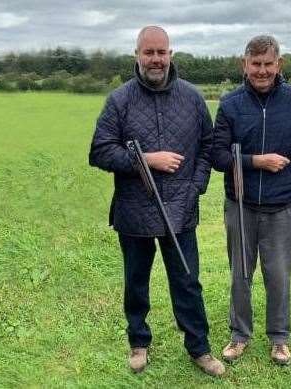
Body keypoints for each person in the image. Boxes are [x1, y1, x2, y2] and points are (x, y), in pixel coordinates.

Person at [89, 26, 225, 377]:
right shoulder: (120, 100)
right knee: (136, 281)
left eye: (161, 52)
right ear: (136, 55)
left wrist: (195, 187)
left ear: (170, 55)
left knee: (187, 281)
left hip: (180, 209)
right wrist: (146, 160)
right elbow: (100, 151)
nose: (155, 59)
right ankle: (139, 342)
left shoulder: (192, 98)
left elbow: (208, 148)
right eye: (148, 52)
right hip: (134, 210)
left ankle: (199, 347)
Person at [212, 35, 291, 366]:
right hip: (240, 204)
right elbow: (217, 154)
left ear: (279, 64)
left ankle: (279, 338)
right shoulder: (230, 104)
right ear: (244, 65)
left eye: (268, 64)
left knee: (278, 274)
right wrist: (256, 161)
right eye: (255, 64)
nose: (261, 71)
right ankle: (240, 335)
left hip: (282, 205)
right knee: (240, 274)